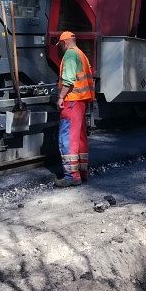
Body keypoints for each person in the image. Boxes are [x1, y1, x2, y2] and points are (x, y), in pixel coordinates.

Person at [54, 31, 95, 188]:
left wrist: (60, 98)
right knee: (79, 138)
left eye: (60, 45)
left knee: (67, 138)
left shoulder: (70, 55)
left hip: (71, 101)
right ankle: (82, 172)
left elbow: (69, 80)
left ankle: (72, 176)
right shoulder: (81, 54)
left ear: (64, 43)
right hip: (81, 102)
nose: (60, 49)